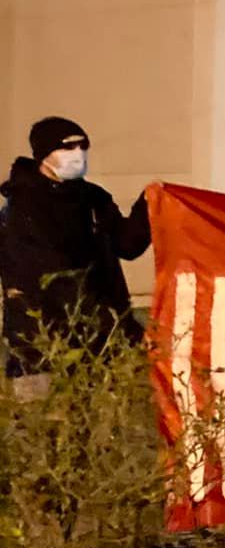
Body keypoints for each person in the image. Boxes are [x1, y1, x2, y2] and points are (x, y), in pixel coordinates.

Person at [0, 117, 152, 380]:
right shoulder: (22, 209)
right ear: (44, 154)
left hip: (100, 338)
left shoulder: (91, 198)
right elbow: (55, 277)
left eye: (82, 146)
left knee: (102, 416)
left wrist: (148, 206)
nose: (78, 154)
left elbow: (126, 245)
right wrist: (111, 323)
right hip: (44, 343)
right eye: (67, 147)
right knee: (48, 417)